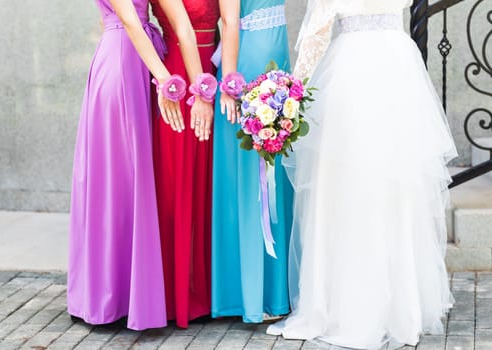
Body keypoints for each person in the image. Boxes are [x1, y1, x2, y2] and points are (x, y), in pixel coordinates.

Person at [267, 0, 457, 348]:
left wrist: (290, 98)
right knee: (392, 187)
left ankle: (346, 304)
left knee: (344, 190)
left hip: (352, 75)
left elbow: (316, 32)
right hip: (396, 68)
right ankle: (401, 308)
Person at [68, 0, 207, 330]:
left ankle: (127, 293)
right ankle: (108, 296)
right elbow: (128, 21)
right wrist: (166, 82)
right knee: (118, 180)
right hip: (123, 62)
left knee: (131, 180)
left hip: (139, 62)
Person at [211, 0, 294, 323]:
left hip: (276, 55)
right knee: (250, 177)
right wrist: (230, 85)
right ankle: (249, 294)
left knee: (274, 172)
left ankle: (276, 291)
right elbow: (229, 21)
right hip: (249, 61)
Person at [150, 0, 219, 328]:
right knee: (177, 182)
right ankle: (175, 294)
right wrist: (200, 94)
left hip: (212, 70)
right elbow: (184, 30)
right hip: (183, 77)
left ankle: (208, 290)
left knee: (208, 185)